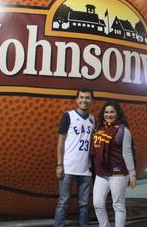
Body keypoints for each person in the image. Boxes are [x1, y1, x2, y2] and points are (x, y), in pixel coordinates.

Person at [90, 100, 136, 227]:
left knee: (118, 205)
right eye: (106, 112)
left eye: (112, 112)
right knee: (97, 204)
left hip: (118, 173)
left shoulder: (123, 130)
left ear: (117, 114)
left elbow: (127, 153)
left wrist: (132, 174)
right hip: (101, 172)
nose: (109, 115)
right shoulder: (99, 128)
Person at [54, 87, 95, 227]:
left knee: (84, 204)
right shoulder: (68, 116)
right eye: (81, 97)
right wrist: (59, 164)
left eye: (87, 98)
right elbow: (60, 141)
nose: (84, 100)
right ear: (77, 100)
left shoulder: (92, 119)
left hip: (85, 169)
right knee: (63, 202)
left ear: (91, 100)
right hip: (68, 168)